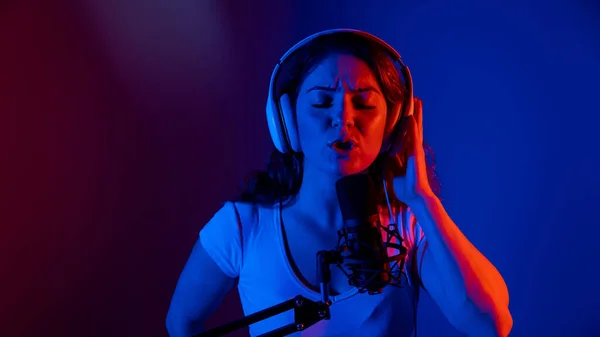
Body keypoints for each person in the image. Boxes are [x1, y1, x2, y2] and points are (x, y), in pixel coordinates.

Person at [166, 29, 513, 337]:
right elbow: (181, 324)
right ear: (286, 121)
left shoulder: (408, 227)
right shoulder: (242, 228)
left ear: (392, 125)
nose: (344, 118)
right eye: (322, 102)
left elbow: (489, 325)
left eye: (363, 103)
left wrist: (423, 201)